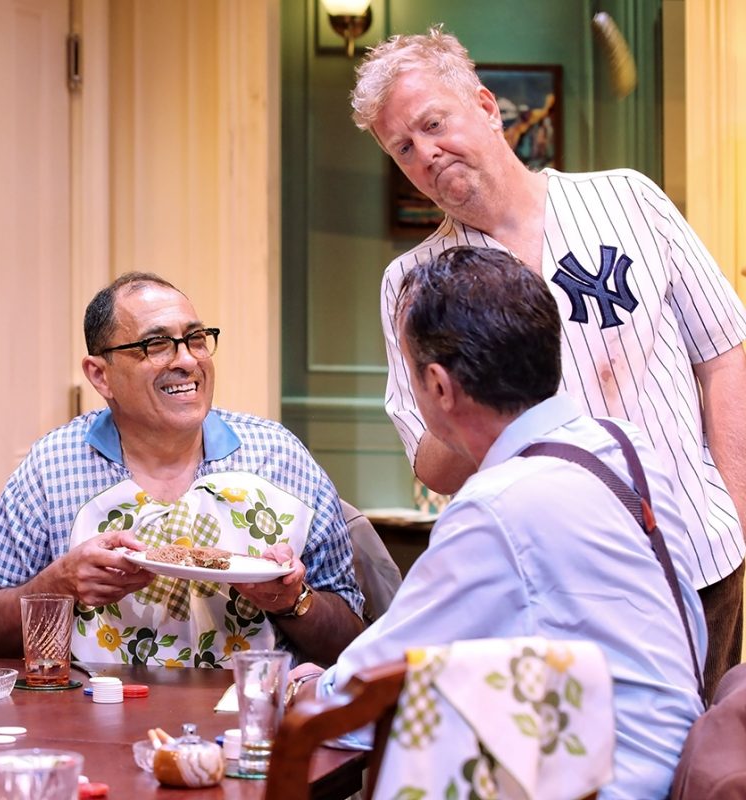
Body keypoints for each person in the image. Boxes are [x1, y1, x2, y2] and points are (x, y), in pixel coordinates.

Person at [352, 26, 746, 699]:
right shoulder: (415, 284)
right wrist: (463, 399)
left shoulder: (630, 201)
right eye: (403, 148)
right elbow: (430, 464)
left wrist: (737, 516)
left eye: (433, 123)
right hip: (545, 585)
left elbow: (724, 356)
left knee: (703, 771)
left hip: (694, 561)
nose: (425, 154)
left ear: (483, 103)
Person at [292, 246, 705, 799]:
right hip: (672, 765)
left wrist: (308, 688)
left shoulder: (498, 504)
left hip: (603, 782)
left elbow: (364, 701)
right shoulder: (624, 447)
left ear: (438, 386)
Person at [0, 273, 367, 668]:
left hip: (244, 718)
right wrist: (59, 585)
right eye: (157, 345)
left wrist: (293, 600)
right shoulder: (52, 468)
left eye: (195, 339)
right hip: (91, 721)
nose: (188, 360)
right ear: (100, 375)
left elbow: (352, 643)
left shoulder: (279, 459)